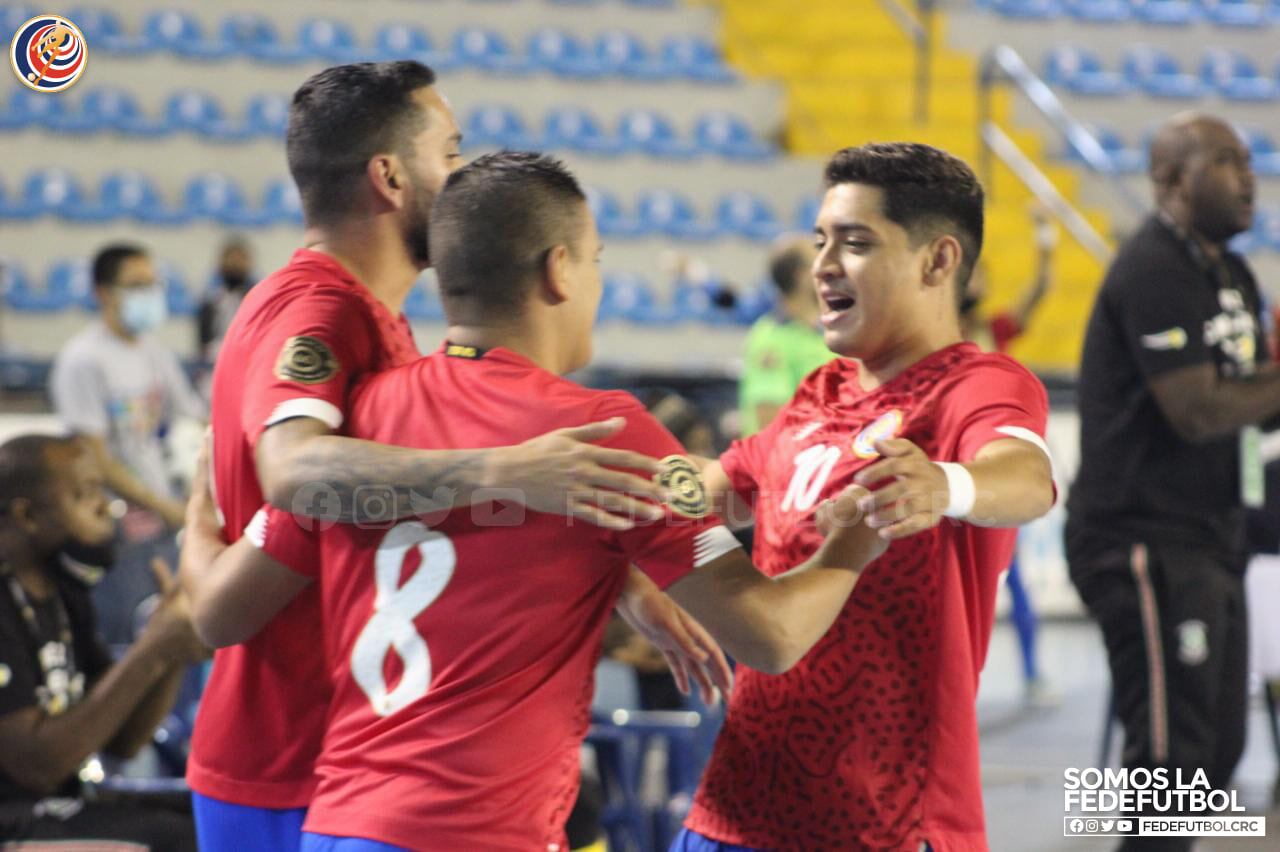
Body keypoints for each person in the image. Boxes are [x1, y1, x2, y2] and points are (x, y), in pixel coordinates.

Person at [179, 151, 890, 852]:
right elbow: (771, 636)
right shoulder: (607, 431)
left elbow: (223, 611)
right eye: (596, 261)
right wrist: (857, 535)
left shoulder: (361, 424)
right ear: (558, 270)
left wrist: (196, 525)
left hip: (340, 827)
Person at [185, 62, 676, 852]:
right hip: (300, 761)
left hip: (357, 754)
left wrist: (611, 576)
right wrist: (505, 470)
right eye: (448, 153)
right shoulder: (320, 310)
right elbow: (295, 475)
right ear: (387, 176)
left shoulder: (368, 322)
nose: (459, 178)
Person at [673, 142, 1056, 851]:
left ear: (937, 262)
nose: (822, 266)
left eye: (853, 244)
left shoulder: (978, 385)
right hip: (732, 810)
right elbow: (710, 491)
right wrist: (593, 470)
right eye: (820, 242)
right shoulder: (818, 393)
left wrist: (945, 483)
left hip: (881, 823)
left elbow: (1028, 478)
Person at [1066, 112, 1272, 852]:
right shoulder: (1154, 267)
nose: (1248, 176)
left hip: (1212, 537)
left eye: (1248, 160)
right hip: (1141, 543)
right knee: (1170, 771)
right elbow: (1197, 408)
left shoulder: (1234, 274)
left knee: (1216, 761)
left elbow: (1252, 402)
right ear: (1171, 181)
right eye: (1225, 161)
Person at [0, 435, 205, 850]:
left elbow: (121, 741)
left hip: (62, 804)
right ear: (27, 515)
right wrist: (153, 649)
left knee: (208, 809)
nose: (103, 508)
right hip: (11, 818)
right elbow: (36, 765)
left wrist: (172, 650)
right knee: (175, 839)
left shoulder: (64, 595)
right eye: (84, 494)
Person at [49, 243, 207, 643]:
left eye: (153, 284)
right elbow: (95, 459)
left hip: (158, 517)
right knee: (123, 635)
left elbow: (193, 416)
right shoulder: (83, 360)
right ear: (104, 292)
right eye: (137, 285)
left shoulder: (154, 353)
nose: (150, 294)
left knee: (163, 622)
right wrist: (166, 506)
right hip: (113, 522)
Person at [960, 206, 1060, 705]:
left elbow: (1037, 295)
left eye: (983, 275)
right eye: (972, 273)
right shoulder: (928, 336)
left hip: (986, 467)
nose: (978, 283)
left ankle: (1031, 671)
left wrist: (1045, 244)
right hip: (946, 471)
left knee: (1012, 577)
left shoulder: (994, 331)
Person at [738, 236, 836, 436]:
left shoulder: (829, 331)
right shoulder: (770, 339)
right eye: (818, 263)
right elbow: (769, 421)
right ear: (801, 276)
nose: (828, 271)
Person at [196, 236, 256, 364]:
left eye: (240, 260)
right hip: (214, 363)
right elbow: (202, 343)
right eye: (230, 259)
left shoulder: (257, 300)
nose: (234, 265)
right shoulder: (210, 300)